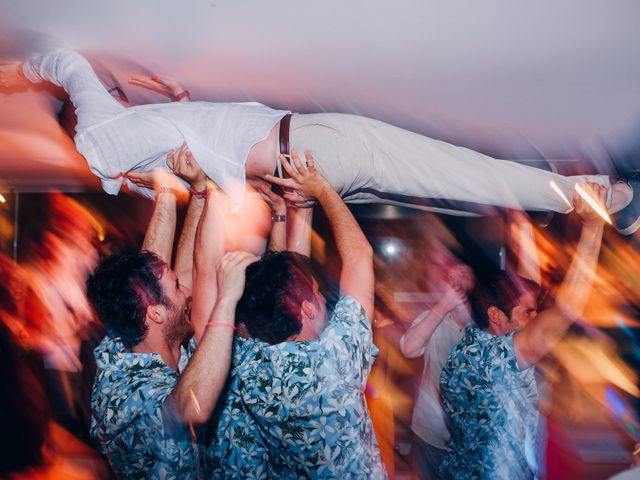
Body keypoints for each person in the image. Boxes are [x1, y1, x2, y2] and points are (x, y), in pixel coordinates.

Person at [1, 49, 638, 234]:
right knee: (457, 172)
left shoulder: (124, 161)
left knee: (451, 184)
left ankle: (585, 197)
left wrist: (184, 106)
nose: (113, 91)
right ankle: (597, 197)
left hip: (306, 172)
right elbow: (62, 60)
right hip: (310, 149)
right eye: (109, 92)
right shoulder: (101, 132)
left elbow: (211, 163)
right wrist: (14, 72)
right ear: (79, 118)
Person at [209, 151, 386, 478]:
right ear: (306, 308)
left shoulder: (249, 366)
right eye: (317, 293)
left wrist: (292, 211)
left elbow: (280, 288)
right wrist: (321, 189)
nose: (321, 297)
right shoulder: (336, 359)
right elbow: (360, 256)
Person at [87, 147, 258, 479]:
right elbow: (191, 407)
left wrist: (178, 193)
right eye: (178, 289)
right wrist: (227, 300)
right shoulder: (122, 398)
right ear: (155, 314)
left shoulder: (125, 340)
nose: (188, 291)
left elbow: (156, 269)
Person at [439, 182, 607, 480]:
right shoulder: (496, 358)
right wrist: (593, 225)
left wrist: (519, 220)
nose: (536, 318)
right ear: (495, 315)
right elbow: (568, 309)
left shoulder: (472, 342)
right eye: (529, 313)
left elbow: (526, 290)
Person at [399, 262, 475, 479]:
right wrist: (443, 305)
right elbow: (408, 348)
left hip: (468, 439)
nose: (457, 280)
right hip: (429, 433)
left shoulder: (481, 327)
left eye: (464, 274)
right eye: (451, 277)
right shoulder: (432, 318)